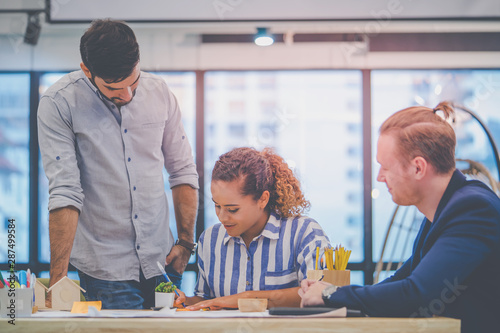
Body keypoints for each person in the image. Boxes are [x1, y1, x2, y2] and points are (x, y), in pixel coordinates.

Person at [37, 19, 199, 309]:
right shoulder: (59, 103)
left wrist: (186, 243)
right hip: (105, 270)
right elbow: (65, 191)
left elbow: (182, 171)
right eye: (113, 87)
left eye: (132, 82)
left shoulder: (159, 92)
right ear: (87, 70)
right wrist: (58, 280)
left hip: (164, 263)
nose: (126, 95)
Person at [299, 101, 500, 333]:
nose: (379, 177)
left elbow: (417, 293)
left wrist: (330, 294)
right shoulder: (446, 208)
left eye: (385, 167)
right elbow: (400, 280)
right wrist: (328, 290)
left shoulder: (472, 209)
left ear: (418, 168)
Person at [177, 147, 330, 310]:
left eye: (232, 209)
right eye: (217, 206)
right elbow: (207, 300)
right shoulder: (210, 239)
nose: (221, 217)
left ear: (263, 199)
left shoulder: (303, 232)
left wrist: (246, 298)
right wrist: (184, 300)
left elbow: (322, 293)